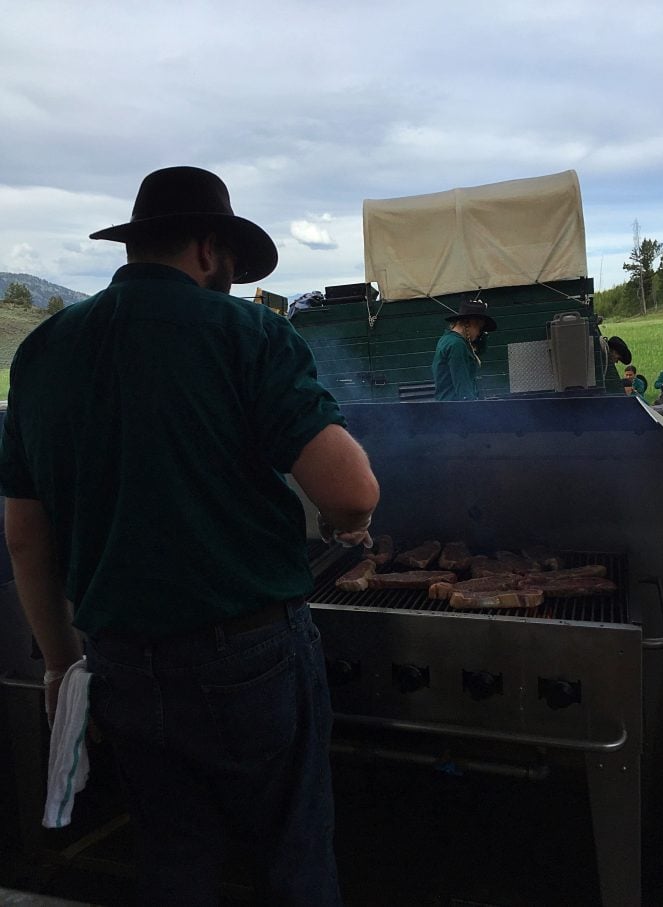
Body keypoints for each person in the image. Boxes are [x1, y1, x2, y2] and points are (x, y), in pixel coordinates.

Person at [0, 166, 380, 907]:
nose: (232, 280)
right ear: (209, 250)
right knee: (292, 860)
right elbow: (352, 489)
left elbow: (23, 536)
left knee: (176, 866)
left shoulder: (42, 352)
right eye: (232, 265)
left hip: (119, 662)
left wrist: (57, 664)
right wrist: (350, 521)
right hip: (250, 659)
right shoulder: (248, 333)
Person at [432, 299, 497, 401]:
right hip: (456, 407)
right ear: (470, 323)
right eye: (480, 329)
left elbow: (480, 350)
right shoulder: (457, 344)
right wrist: (471, 407)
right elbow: (462, 383)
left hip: (448, 405)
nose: (479, 334)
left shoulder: (448, 339)